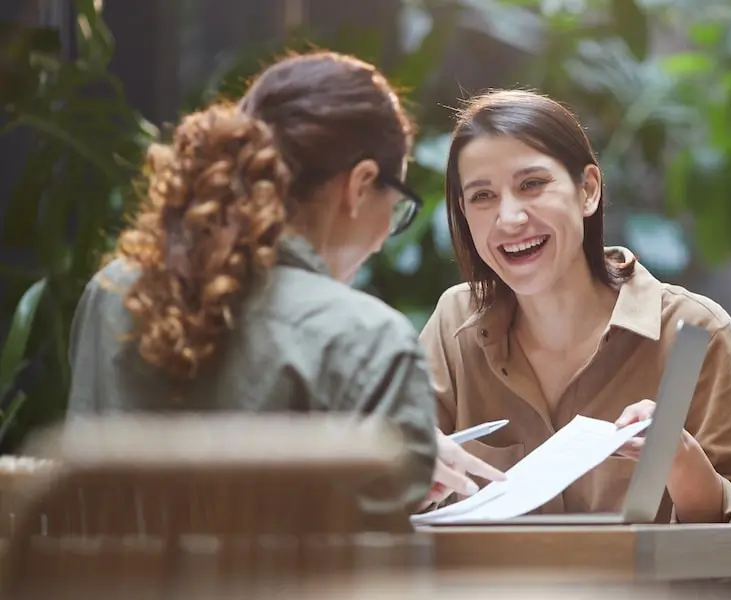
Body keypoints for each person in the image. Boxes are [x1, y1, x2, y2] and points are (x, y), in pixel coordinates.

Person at [66, 51, 502, 511]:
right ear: (360, 185)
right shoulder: (367, 340)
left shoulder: (114, 292)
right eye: (395, 206)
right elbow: (374, 567)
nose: (380, 241)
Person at [420, 89, 731, 523]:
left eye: (531, 184)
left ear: (587, 190)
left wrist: (681, 462)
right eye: (482, 197)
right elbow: (383, 499)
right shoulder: (453, 326)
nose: (509, 218)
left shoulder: (696, 332)